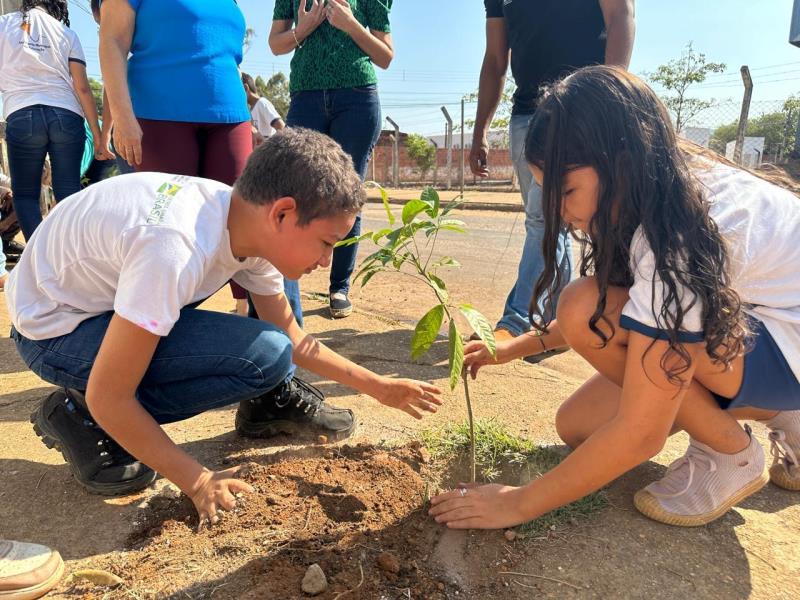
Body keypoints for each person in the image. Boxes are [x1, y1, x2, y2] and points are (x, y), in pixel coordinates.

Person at [6, 128, 442, 526]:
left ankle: (240, 406)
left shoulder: (242, 222)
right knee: (118, 396)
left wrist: (379, 387)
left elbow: (292, 340)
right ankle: (79, 415)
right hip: (55, 328)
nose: (327, 261)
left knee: (269, 352)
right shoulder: (175, 247)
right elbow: (111, 394)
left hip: (98, 302)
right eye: (327, 243)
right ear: (283, 213)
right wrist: (197, 481)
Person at [429, 67, 800, 530]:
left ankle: (732, 454)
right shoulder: (660, 187)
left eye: (567, 192)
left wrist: (518, 503)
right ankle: (783, 413)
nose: (561, 214)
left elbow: (642, 434)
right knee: (579, 426)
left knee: (584, 308)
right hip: (765, 331)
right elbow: (625, 314)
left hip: (784, 347)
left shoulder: (681, 236)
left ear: (621, 162)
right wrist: (512, 347)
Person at [471, 0, 635, 359]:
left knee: (544, 220)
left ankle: (516, 323)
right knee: (554, 221)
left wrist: (605, 100)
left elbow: (620, 15)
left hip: (582, 110)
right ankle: (556, 326)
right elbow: (496, 58)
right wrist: (480, 128)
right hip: (526, 113)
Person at [99, 0, 253, 313]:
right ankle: (159, 322)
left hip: (231, 113)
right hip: (159, 114)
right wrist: (122, 117)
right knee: (170, 230)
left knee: (245, 217)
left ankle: (249, 310)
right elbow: (112, 41)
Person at [269, 0, 394, 320]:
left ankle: (339, 286)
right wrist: (305, 28)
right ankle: (286, 284)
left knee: (347, 196)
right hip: (305, 97)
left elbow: (385, 56)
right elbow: (275, 44)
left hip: (357, 98)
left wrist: (351, 24)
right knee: (294, 192)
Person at [0, 0, 108, 240]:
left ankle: (40, 261)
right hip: (67, 116)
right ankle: (70, 255)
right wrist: (98, 136)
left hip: (22, 111)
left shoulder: (3, 25)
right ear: (59, 7)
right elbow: (82, 88)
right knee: (68, 190)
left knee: (26, 195)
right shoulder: (66, 33)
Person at [242, 72, 285, 148]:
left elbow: (281, 126)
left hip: (267, 155)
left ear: (245, 88)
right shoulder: (250, 109)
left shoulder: (262, 103)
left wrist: (268, 147)